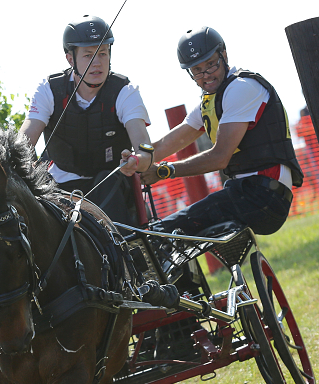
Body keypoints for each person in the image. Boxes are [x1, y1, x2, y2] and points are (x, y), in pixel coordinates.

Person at [121, 26, 303, 236]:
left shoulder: (241, 88)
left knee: (162, 232)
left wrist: (164, 171)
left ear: (224, 55)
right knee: (172, 234)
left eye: (211, 64)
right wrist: (135, 160)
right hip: (243, 192)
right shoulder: (211, 100)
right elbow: (166, 144)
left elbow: (219, 158)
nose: (206, 75)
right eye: (196, 70)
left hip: (263, 196)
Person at [20, 15, 153, 226]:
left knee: (105, 182)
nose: (97, 63)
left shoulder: (125, 92)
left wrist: (136, 161)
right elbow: (23, 144)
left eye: (103, 53)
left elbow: (145, 150)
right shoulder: (48, 90)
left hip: (112, 185)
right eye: (88, 55)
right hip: (60, 186)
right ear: (70, 59)